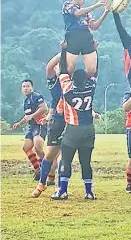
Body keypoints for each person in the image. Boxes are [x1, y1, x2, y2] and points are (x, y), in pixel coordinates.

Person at [51, 46, 98, 200]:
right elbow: (95, 69)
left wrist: (64, 50)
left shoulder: (67, 88)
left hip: (73, 128)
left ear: (73, 80)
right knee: (86, 161)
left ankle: (62, 190)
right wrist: (92, 50)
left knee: (66, 160)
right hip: (89, 129)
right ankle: (89, 192)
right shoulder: (91, 87)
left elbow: (63, 69)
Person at [32, 54, 65, 198]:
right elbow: (49, 66)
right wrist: (64, 50)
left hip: (72, 121)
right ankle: (42, 182)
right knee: (50, 153)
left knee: (67, 156)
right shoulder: (54, 82)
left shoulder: (74, 80)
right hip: (58, 121)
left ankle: (61, 187)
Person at [62, 0, 110, 77]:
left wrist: (106, 11)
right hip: (73, 36)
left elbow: (94, 26)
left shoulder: (87, 13)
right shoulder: (68, 5)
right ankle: (68, 85)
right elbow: (77, 13)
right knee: (69, 69)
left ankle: (83, 85)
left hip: (86, 36)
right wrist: (97, 5)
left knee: (92, 70)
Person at [12, 79, 48, 180]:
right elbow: (27, 116)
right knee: (26, 148)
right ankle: (37, 171)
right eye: (23, 87)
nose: (25, 88)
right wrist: (19, 123)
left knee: (38, 148)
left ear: (32, 87)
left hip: (39, 124)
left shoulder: (36, 96)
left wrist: (32, 115)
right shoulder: (26, 100)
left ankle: (47, 169)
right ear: (21, 89)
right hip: (31, 126)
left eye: (27, 86)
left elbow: (44, 108)